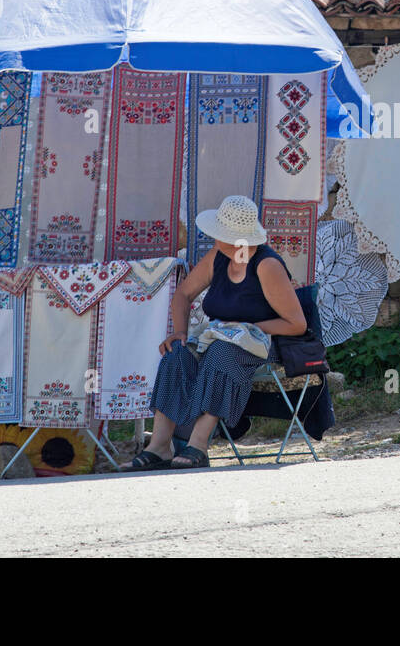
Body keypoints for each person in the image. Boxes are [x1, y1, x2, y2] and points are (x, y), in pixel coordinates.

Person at [122, 195, 307, 471]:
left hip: (259, 343)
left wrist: (249, 328)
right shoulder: (218, 257)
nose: (214, 239)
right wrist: (180, 332)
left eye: (218, 235)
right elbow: (183, 295)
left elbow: (296, 323)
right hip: (219, 336)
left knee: (222, 353)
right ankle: (160, 446)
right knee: (177, 355)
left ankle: (198, 444)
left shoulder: (267, 266)